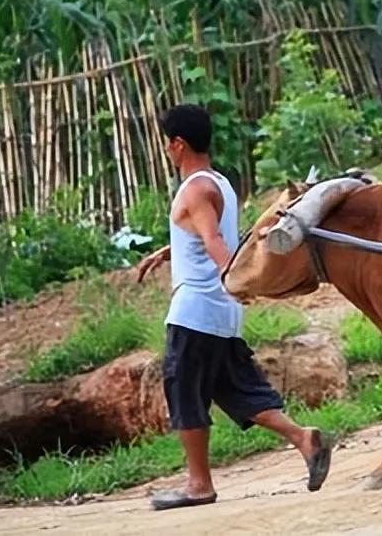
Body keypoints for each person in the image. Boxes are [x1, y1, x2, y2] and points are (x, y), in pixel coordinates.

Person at [135, 103, 329, 510]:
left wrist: (235, 279)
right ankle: (304, 439)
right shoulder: (219, 183)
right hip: (221, 315)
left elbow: (214, 242)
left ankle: (198, 484)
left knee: (184, 391)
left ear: (178, 144)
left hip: (195, 312)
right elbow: (211, 234)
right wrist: (172, 250)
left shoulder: (193, 189)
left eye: (167, 145)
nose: (167, 153)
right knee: (237, 391)